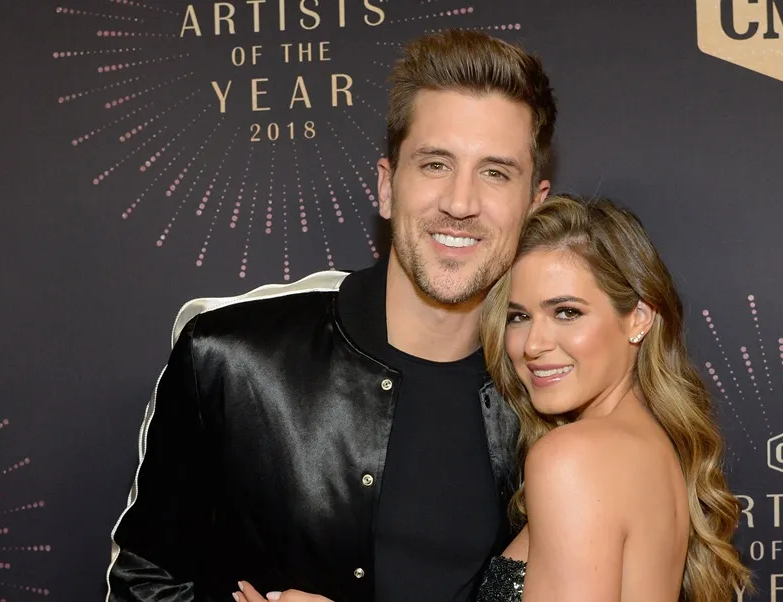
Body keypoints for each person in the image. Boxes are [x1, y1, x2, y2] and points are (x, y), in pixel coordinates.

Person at [103, 30, 555, 602]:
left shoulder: (552, 395)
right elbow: (141, 583)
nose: (461, 202)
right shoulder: (230, 357)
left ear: (534, 204)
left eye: (495, 172)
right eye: (436, 164)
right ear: (388, 187)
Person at [473, 195, 751, 602]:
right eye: (519, 316)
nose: (532, 344)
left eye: (567, 312)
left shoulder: (570, 458)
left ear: (638, 318)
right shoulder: (660, 450)